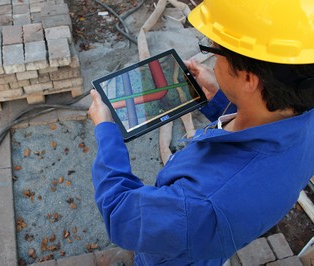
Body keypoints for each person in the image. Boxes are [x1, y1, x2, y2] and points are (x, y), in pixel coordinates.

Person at [88, 0, 314, 264]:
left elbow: (120, 212)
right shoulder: (304, 123)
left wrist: (106, 131)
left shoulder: (198, 205)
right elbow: (263, 131)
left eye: (214, 51)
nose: (213, 61)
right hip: (214, 241)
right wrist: (220, 99)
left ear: (248, 79)